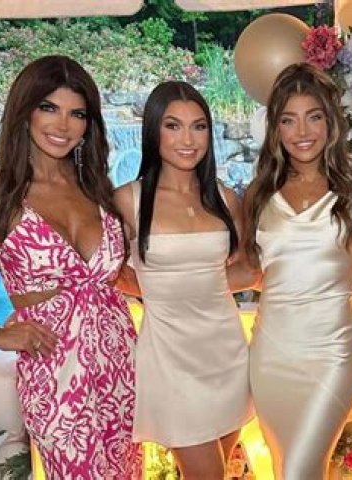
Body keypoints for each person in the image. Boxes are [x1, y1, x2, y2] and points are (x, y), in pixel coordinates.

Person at [0, 55, 141, 478]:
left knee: (128, 470)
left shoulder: (96, 187)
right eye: (49, 107)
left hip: (121, 361)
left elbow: (118, 277)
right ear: (24, 111)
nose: (63, 125)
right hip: (54, 369)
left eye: (77, 113)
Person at [242, 62, 352, 479]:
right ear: (275, 128)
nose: (302, 131)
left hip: (332, 353)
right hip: (271, 353)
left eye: (313, 117)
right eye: (289, 119)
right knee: (285, 466)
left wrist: (332, 303)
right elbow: (251, 271)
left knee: (301, 468)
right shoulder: (258, 194)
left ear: (331, 122)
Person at [113, 80, 254, 479]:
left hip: (226, 352)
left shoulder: (225, 199)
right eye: (173, 126)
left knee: (216, 469)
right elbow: (109, 270)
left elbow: (246, 268)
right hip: (170, 357)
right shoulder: (127, 200)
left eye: (199, 126)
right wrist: (157, 292)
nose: (188, 140)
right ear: (153, 131)